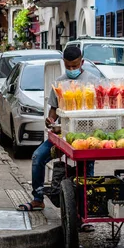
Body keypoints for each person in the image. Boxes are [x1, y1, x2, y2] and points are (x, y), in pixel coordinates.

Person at [17, 47, 96, 221]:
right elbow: (53, 111)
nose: (72, 70)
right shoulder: (59, 82)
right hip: (63, 135)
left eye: (75, 66)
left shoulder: (93, 82)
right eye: (68, 66)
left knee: (86, 170)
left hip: (85, 137)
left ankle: (84, 213)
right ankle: (38, 199)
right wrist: (50, 120)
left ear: (82, 63)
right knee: (38, 157)